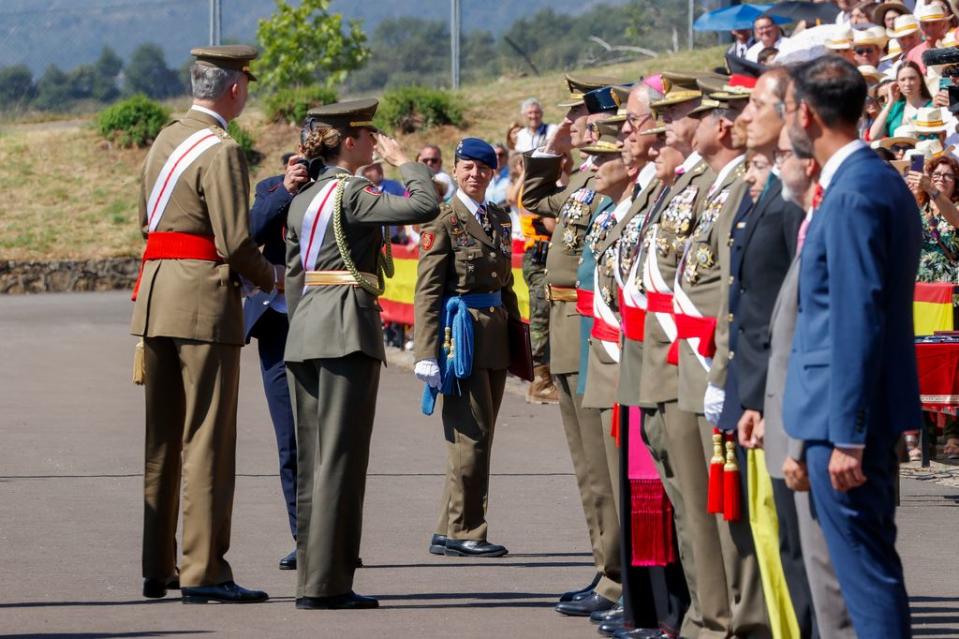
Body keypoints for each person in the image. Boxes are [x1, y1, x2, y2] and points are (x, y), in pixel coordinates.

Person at [131, 45, 274, 604]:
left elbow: (146, 219)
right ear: (235, 87)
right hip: (203, 303)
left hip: (158, 294)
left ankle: (158, 565)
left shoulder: (165, 138)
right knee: (208, 440)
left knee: (162, 440)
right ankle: (204, 571)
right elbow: (235, 241)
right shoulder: (223, 151)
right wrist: (270, 278)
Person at [783, 55, 920, 638]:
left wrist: (847, 436)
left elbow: (855, 320)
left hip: (844, 422)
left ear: (807, 115)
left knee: (865, 580)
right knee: (861, 572)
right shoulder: (861, 181)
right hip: (834, 415)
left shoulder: (856, 191)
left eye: (789, 107)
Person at [284, 99, 438, 610]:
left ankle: (314, 577)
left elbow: (293, 275)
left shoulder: (304, 198)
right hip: (346, 327)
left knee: (314, 461)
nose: (376, 143)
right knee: (341, 460)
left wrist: (303, 324)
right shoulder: (354, 193)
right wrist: (406, 164)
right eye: (369, 135)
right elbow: (423, 206)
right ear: (348, 141)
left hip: (306, 328)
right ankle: (327, 585)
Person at [716, 67, 815, 639]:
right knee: (781, 543)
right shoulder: (773, 197)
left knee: (808, 558)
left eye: (756, 104)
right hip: (763, 392)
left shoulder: (794, 202)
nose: (743, 117)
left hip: (795, 401)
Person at [521, 74, 623, 615]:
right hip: (563, 323)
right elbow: (534, 198)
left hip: (589, 324)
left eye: (582, 119)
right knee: (586, 467)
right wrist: (548, 153)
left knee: (604, 463)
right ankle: (604, 567)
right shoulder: (584, 178)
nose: (574, 128)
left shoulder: (614, 178)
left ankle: (618, 575)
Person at [638, 72, 724, 639]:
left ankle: (712, 618)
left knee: (703, 508)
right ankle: (701, 615)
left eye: (676, 115)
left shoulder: (716, 184)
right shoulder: (691, 184)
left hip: (693, 356)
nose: (665, 126)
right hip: (668, 354)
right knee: (685, 502)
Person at [765, 124, 857, 639]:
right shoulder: (809, 217)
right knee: (803, 563)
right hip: (798, 416)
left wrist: (848, 437)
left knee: (841, 584)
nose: (777, 164)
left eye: (783, 155)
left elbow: (845, 331)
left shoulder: (847, 203)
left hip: (827, 426)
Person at [412, 137, 522, 559]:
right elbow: (427, 291)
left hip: (493, 333)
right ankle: (466, 530)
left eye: (483, 168)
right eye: (468, 167)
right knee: (469, 437)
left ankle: (448, 526)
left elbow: (504, 283)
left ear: (493, 173)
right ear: (455, 170)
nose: (475, 175)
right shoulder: (443, 220)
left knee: (478, 435)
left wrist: (519, 340)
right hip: (460, 337)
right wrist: (425, 353)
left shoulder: (497, 217)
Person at [244, 150, 311, 572]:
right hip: (276, 323)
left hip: (321, 322)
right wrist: (286, 189)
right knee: (289, 442)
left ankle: (334, 537)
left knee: (327, 441)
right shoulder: (271, 187)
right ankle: (304, 538)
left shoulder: (335, 188)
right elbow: (249, 232)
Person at [908, 154, 959, 459]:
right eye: (936, 175)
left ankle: (953, 435)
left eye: (947, 176)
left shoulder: (952, 207)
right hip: (919, 295)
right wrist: (913, 192)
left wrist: (935, 192)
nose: (941, 179)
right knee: (918, 362)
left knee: (950, 365)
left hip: (951, 295)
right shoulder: (919, 207)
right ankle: (919, 435)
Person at [869, 60, 933, 139]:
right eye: (903, 80)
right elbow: (874, 136)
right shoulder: (895, 107)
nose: (907, 84)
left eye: (912, 78)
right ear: (897, 83)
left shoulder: (932, 106)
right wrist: (890, 102)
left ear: (920, 80)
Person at [909, 2, 954, 73]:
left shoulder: (953, 45)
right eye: (926, 25)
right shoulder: (913, 53)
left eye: (934, 24)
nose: (930, 29)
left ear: (943, 24)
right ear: (921, 27)